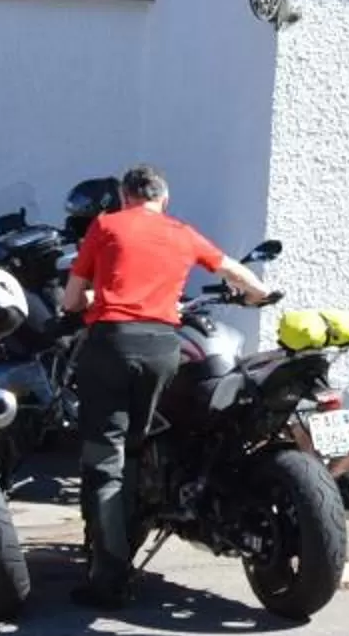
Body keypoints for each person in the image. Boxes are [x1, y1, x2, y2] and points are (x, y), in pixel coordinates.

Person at [60, 164, 274, 608]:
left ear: (125, 197)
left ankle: (109, 579)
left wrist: (89, 300)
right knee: (138, 443)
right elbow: (235, 271)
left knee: (105, 461)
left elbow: (71, 299)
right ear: (164, 199)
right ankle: (141, 511)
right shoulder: (182, 232)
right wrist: (260, 295)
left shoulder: (106, 225)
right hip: (163, 349)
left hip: (111, 345)